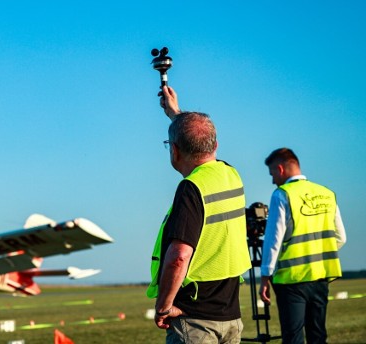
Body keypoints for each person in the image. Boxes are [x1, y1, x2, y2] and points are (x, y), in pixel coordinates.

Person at [147, 86, 252, 343]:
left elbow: (178, 257)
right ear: (215, 145)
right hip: (230, 317)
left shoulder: (191, 188)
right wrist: (176, 115)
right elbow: (200, 141)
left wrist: (164, 305)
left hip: (195, 320)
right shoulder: (231, 174)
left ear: (174, 151)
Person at [259, 148, 347, 344]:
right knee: (318, 335)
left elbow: (273, 240)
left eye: (272, 173)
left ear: (280, 169)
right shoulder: (327, 194)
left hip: (291, 280)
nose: (273, 180)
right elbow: (341, 237)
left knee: (293, 337)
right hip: (321, 276)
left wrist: (265, 275)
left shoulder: (281, 194)